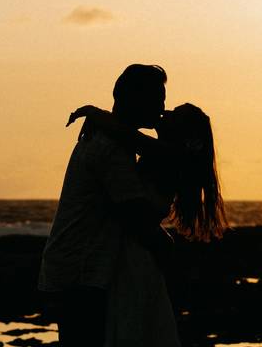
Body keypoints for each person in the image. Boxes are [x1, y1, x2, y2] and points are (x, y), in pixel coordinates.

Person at [67, 101, 229, 347]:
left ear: (183, 132)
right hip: (134, 252)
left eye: (177, 114)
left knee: (130, 326)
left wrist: (94, 113)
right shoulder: (167, 155)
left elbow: (128, 136)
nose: (166, 111)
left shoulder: (167, 155)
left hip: (133, 255)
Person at [37, 64, 172, 347]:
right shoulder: (109, 148)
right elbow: (135, 214)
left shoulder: (109, 139)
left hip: (82, 267)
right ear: (134, 98)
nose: (162, 107)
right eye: (157, 99)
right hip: (82, 271)